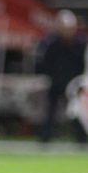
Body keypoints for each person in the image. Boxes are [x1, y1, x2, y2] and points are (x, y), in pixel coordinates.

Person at [36, 10, 88, 144]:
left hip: (74, 82)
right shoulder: (51, 43)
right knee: (50, 110)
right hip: (57, 81)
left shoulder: (81, 43)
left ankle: (82, 138)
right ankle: (45, 137)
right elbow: (44, 61)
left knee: (77, 111)